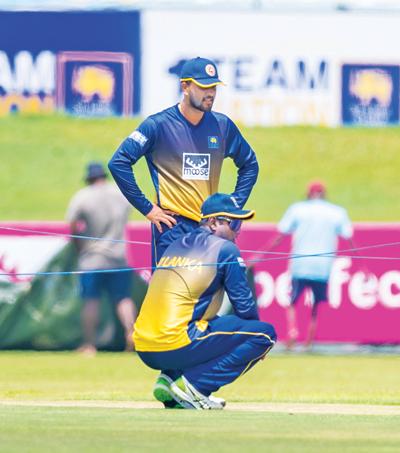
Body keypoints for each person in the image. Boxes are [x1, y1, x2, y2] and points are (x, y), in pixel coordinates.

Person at [108, 57, 259, 268]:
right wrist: (147, 208)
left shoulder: (222, 126)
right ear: (185, 86)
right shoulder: (157, 125)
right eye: (204, 86)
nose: (211, 93)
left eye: (214, 86)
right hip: (171, 227)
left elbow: (250, 165)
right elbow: (118, 162)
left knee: (205, 298)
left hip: (210, 228)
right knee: (170, 297)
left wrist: (233, 206)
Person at [133, 193, 276, 410]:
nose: (238, 231)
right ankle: (196, 387)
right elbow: (244, 306)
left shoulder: (175, 244)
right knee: (264, 333)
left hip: (144, 347)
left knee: (209, 321)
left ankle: (170, 379)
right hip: (175, 344)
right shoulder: (225, 249)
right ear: (212, 223)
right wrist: (257, 343)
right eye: (234, 223)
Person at [268, 181, 354, 350]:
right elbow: (348, 236)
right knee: (315, 304)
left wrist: (263, 252)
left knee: (293, 301)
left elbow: (281, 234)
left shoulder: (298, 209)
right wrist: (362, 263)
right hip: (323, 264)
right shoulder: (337, 212)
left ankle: (293, 331)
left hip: (300, 262)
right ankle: (309, 338)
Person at [66, 162, 136, 355]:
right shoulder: (120, 195)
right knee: (123, 299)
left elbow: (72, 225)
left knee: (91, 300)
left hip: (92, 258)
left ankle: (89, 344)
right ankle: (131, 333)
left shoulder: (83, 197)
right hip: (119, 256)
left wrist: (78, 247)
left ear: (89, 179)